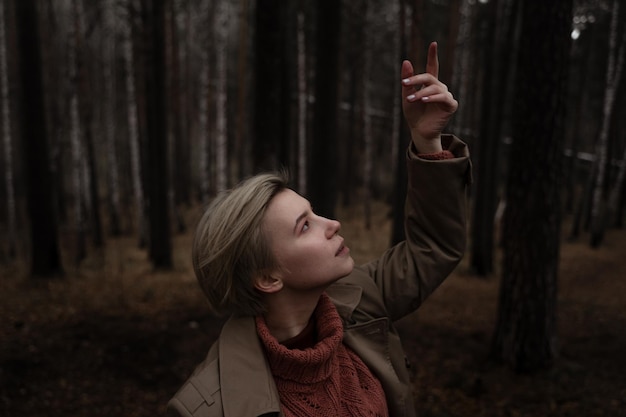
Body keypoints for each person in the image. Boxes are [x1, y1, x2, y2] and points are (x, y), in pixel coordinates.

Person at [168, 41, 471, 417]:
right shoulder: (205, 409)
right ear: (267, 277)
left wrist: (427, 141)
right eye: (305, 226)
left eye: (314, 213)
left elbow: (433, 247)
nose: (333, 224)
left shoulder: (359, 298)